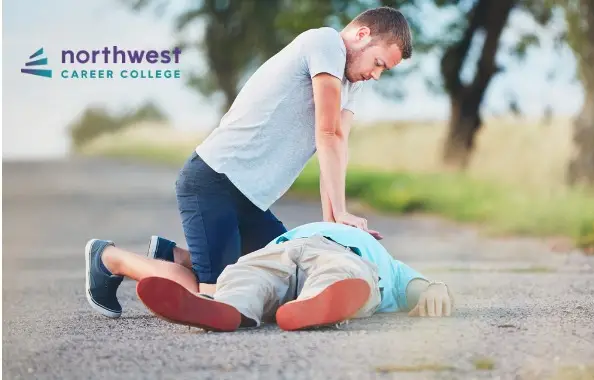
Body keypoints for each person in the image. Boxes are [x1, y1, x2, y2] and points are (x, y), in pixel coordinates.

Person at [151, 6, 413, 302]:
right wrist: (340, 212)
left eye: (383, 70)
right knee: (222, 296)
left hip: (251, 202)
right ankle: (110, 259)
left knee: (286, 278)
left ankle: (170, 255)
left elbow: (337, 144)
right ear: (362, 34)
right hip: (213, 180)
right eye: (378, 63)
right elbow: (325, 133)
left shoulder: (352, 82)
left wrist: (333, 229)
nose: (376, 75)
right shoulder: (326, 43)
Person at [84, 222, 454, 331]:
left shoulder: (388, 264)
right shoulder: (377, 256)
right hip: (285, 246)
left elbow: (419, 287)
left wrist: (435, 288)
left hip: (340, 257)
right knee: (247, 275)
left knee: (338, 274)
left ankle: (313, 305)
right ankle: (228, 309)